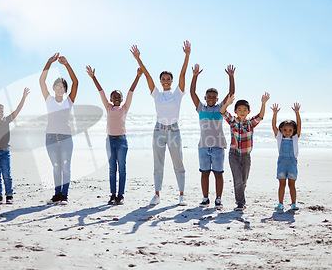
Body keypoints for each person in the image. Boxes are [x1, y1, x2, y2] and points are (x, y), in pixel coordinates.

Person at [131, 41, 191, 206]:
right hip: (158, 130)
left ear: (171, 81)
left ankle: (181, 195)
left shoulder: (177, 93)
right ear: (160, 81)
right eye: (163, 79)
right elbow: (148, 76)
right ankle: (157, 195)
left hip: (174, 130)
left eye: (168, 79)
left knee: (178, 163)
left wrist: (187, 56)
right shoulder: (156, 93)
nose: (166, 81)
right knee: (158, 164)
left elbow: (183, 74)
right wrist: (138, 59)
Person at [86, 65, 143, 205]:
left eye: (119, 96)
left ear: (122, 99)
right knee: (112, 168)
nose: (117, 98)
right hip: (110, 141)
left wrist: (138, 76)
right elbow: (101, 92)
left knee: (122, 168)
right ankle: (112, 195)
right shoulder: (108, 107)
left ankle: (121, 195)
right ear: (111, 99)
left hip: (122, 142)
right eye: (114, 97)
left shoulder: (125, 108)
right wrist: (93, 77)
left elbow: (131, 91)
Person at [190, 63, 235, 209]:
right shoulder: (201, 108)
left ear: (217, 99)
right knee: (204, 173)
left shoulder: (220, 109)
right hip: (203, 147)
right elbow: (192, 93)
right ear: (205, 97)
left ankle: (218, 198)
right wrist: (195, 76)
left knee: (218, 174)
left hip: (218, 147)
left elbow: (231, 94)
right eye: (208, 97)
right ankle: (205, 198)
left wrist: (231, 77)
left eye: (213, 97)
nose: (210, 99)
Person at [40, 53, 78, 205]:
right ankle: (57, 195)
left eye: (63, 87)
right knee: (56, 167)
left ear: (65, 89)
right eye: (58, 86)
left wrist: (67, 65)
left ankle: (64, 195)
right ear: (54, 88)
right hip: (50, 137)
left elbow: (76, 82)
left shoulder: (69, 100)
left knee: (66, 167)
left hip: (66, 138)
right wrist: (48, 62)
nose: (60, 88)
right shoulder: (49, 99)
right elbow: (41, 80)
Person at [220, 93, 270, 211]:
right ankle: (241, 203)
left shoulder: (250, 123)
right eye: (239, 109)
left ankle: (239, 198)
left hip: (246, 156)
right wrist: (227, 104)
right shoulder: (232, 121)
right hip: (234, 155)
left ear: (248, 111)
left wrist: (263, 103)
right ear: (235, 111)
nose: (242, 111)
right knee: (237, 179)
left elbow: (260, 116)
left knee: (243, 180)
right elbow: (223, 112)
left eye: (244, 110)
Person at [271, 102, 301, 211]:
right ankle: (280, 203)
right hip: (282, 162)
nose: (287, 132)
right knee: (282, 183)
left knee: (292, 184)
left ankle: (293, 204)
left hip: (292, 162)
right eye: (284, 130)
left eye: (290, 130)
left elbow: (299, 125)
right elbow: (273, 126)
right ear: (281, 130)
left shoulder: (295, 137)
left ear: (294, 131)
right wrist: (275, 114)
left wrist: (297, 113)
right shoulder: (279, 137)